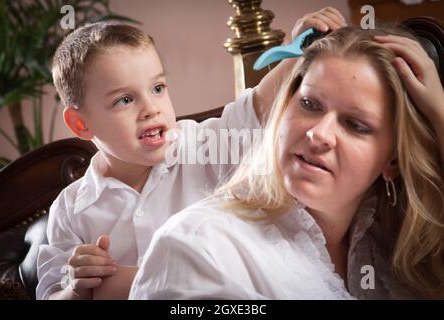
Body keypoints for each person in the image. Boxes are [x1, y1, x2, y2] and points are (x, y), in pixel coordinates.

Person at [36, 7, 348, 300]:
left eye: (158, 88)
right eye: (124, 100)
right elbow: (52, 294)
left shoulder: (204, 147)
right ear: (81, 123)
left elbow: (258, 109)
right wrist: (76, 289)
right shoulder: (70, 210)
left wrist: (299, 49)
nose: (151, 109)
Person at [129, 24, 444, 299]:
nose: (319, 134)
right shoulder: (200, 248)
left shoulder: (396, 253)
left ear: (392, 161)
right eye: (309, 104)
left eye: (355, 125)